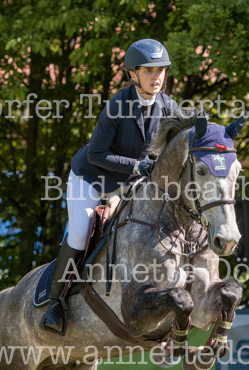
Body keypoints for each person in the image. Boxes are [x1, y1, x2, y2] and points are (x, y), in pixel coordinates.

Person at [41, 38, 180, 334]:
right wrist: (136, 166)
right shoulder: (117, 106)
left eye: (161, 70)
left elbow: (180, 144)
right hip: (92, 177)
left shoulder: (168, 106)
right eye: (149, 71)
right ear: (132, 74)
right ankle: (55, 302)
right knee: (80, 232)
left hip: (130, 183)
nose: (157, 77)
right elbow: (96, 154)